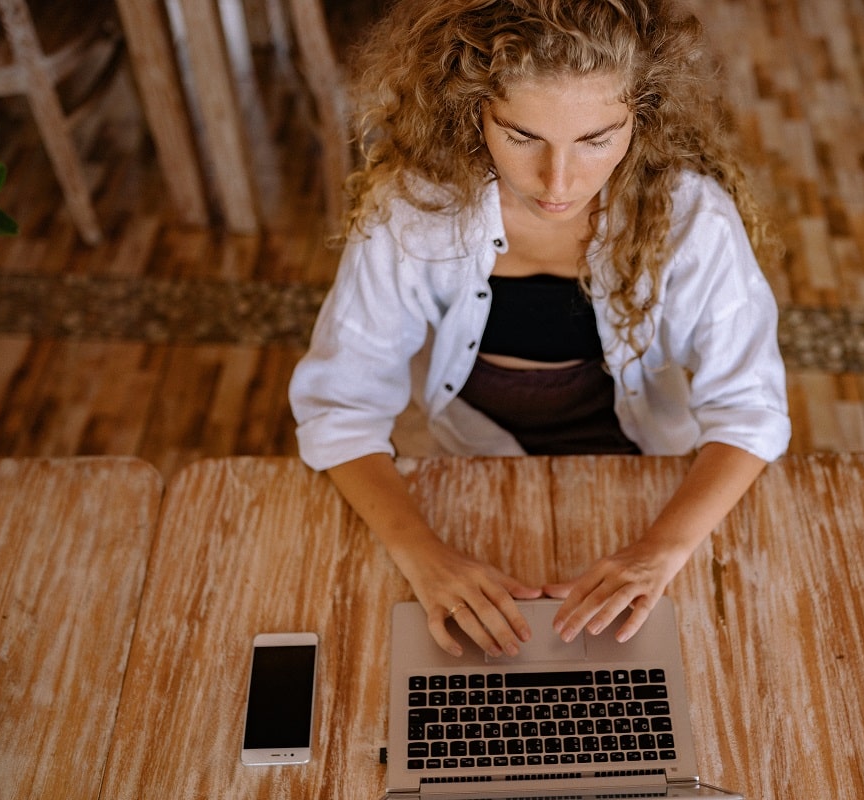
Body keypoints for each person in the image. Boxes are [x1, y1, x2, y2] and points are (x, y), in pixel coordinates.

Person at [289, 0, 790, 660]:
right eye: (523, 136)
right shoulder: (414, 211)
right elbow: (340, 409)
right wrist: (425, 557)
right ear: (475, 112)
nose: (560, 183)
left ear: (640, 116)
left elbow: (750, 410)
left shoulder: (694, 221)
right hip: (465, 460)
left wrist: (657, 553)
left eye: (596, 140)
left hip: (653, 482)